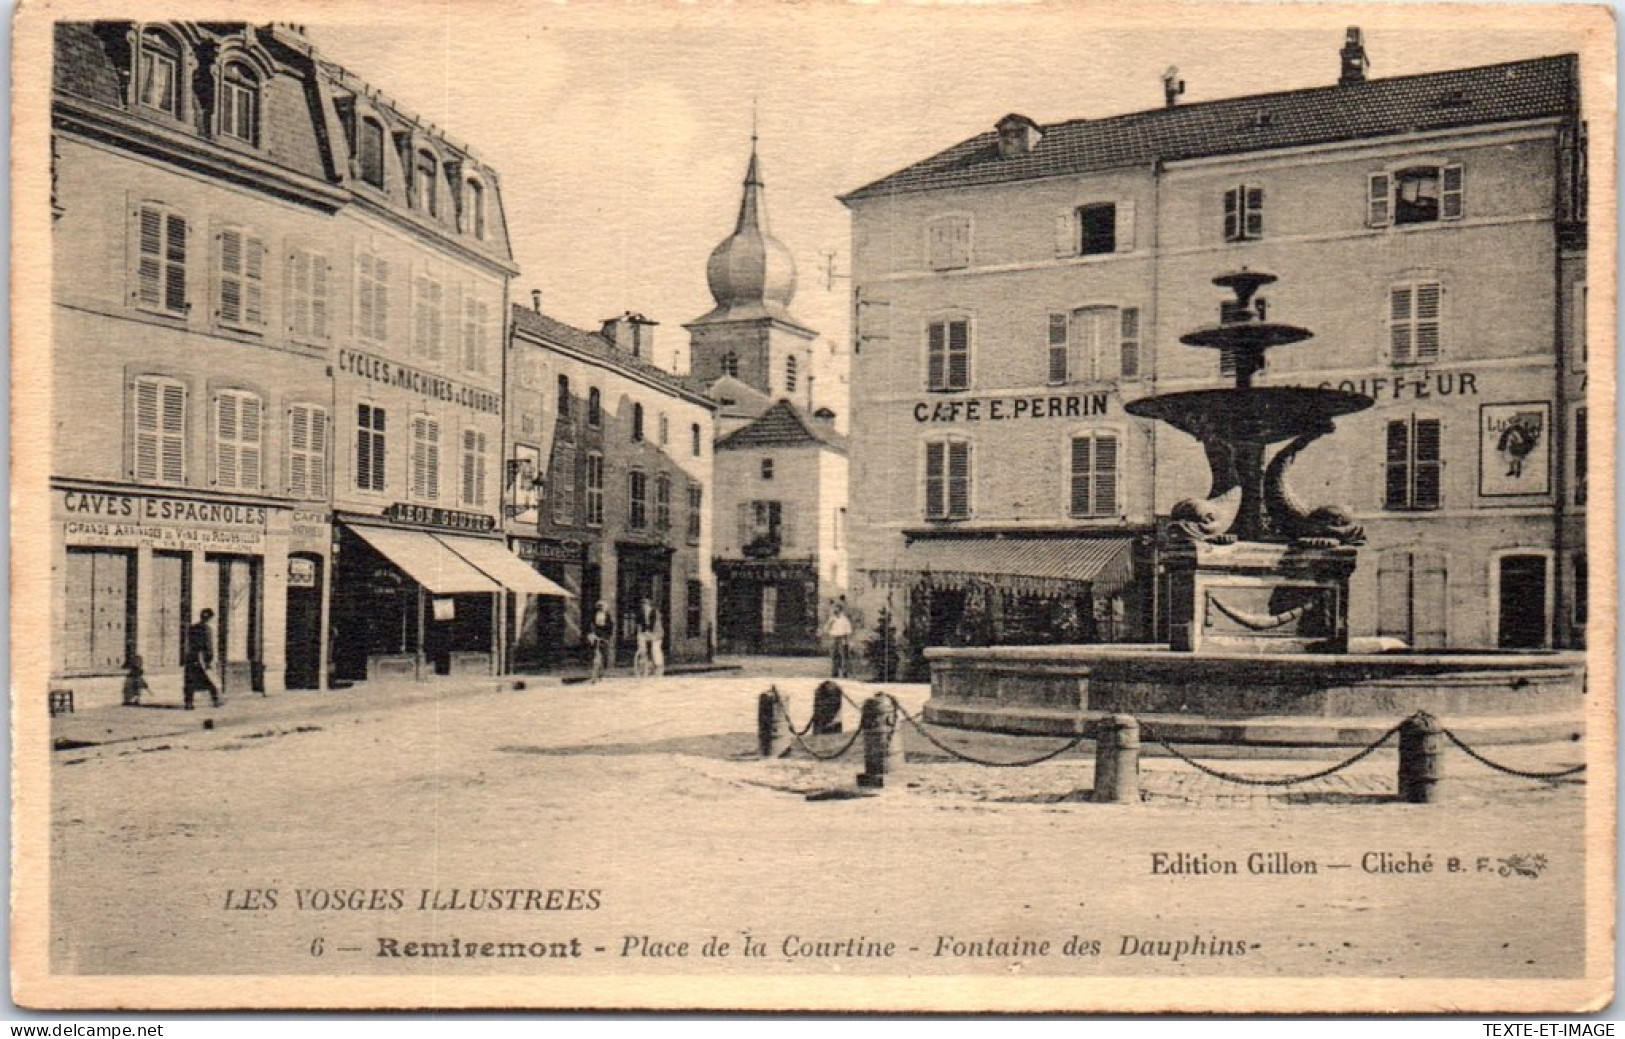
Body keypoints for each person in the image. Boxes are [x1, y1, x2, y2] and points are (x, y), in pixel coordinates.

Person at [184, 610, 221, 709]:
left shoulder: (192, 628)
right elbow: (208, 646)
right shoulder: (207, 629)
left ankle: (188, 703)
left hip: (191, 657)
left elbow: (188, 643)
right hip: (202, 658)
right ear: (209, 618)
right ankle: (216, 700)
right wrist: (209, 659)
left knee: (190, 681)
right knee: (210, 679)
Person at [634, 597, 665, 677]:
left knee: (655, 648)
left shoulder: (655, 613)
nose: (644, 608)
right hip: (646, 633)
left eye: (646, 606)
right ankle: (643, 662)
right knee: (641, 644)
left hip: (656, 633)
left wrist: (651, 633)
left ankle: (659, 665)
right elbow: (639, 626)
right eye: (643, 606)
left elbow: (656, 625)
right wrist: (639, 634)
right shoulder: (640, 614)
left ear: (649, 606)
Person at [825, 598, 855, 678]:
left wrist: (848, 640)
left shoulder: (844, 620)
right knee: (834, 655)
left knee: (843, 655)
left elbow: (848, 631)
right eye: (834, 609)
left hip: (842, 638)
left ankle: (845, 672)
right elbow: (826, 629)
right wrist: (830, 625)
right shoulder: (832, 619)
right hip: (834, 638)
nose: (835, 610)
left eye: (837, 609)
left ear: (840, 610)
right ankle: (835, 672)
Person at [587, 601, 614, 683]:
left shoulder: (608, 617)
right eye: (599, 607)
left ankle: (602, 673)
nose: (600, 609)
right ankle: (594, 675)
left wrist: (607, 638)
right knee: (595, 654)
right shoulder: (594, 615)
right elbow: (591, 625)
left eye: (602, 607)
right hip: (596, 636)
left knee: (604, 654)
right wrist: (591, 634)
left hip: (604, 637)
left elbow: (610, 629)